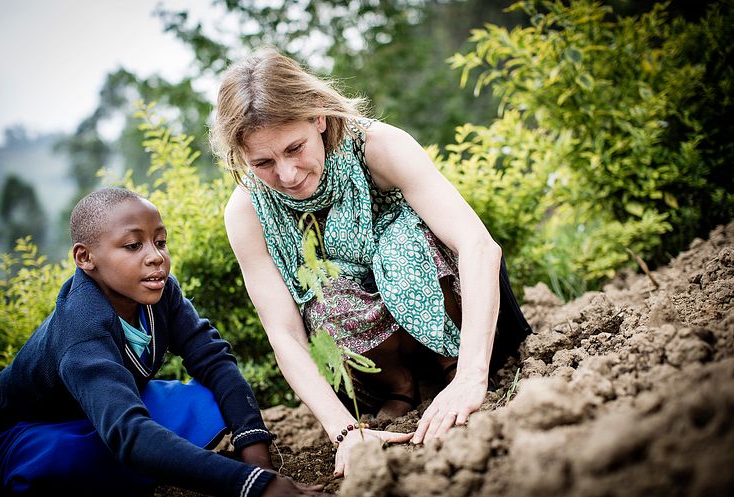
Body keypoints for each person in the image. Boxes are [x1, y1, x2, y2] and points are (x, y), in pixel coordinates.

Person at [211, 48, 532, 477]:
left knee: (402, 243)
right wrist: (344, 431)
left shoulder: (378, 146)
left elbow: (478, 246)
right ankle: (402, 391)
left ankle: (450, 370)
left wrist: (471, 377)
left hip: (471, 344)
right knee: (327, 295)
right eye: (264, 163)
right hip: (367, 379)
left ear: (318, 119)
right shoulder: (247, 209)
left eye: (295, 148)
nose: (287, 175)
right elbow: (283, 332)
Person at [0, 187, 330, 497]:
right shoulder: (82, 325)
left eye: (160, 242)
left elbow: (213, 360)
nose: (155, 257)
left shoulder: (161, 291)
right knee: (65, 461)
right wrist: (248, 485)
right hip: (31, 431)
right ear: (85, 258)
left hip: (110, 409)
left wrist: (259, 465)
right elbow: (126, 432)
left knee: (208, 399)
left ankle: (142, 466)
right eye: (133, 245)